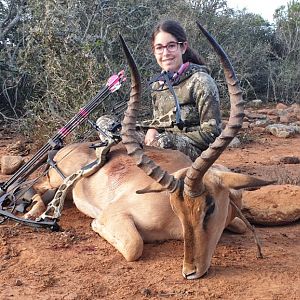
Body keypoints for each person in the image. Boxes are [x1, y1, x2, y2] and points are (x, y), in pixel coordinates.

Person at [97, 19, 221, 161]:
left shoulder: (201, 81)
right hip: (160, 144)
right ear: (154, 51)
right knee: (105, 124)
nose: (165, 53)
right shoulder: (158, 84)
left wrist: (166, 138)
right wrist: (153, 129)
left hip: (193, 153)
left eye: (171, 46)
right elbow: (160, 123)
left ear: (183, 47)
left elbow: (212, 135)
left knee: (161, 143)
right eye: (159, 47)